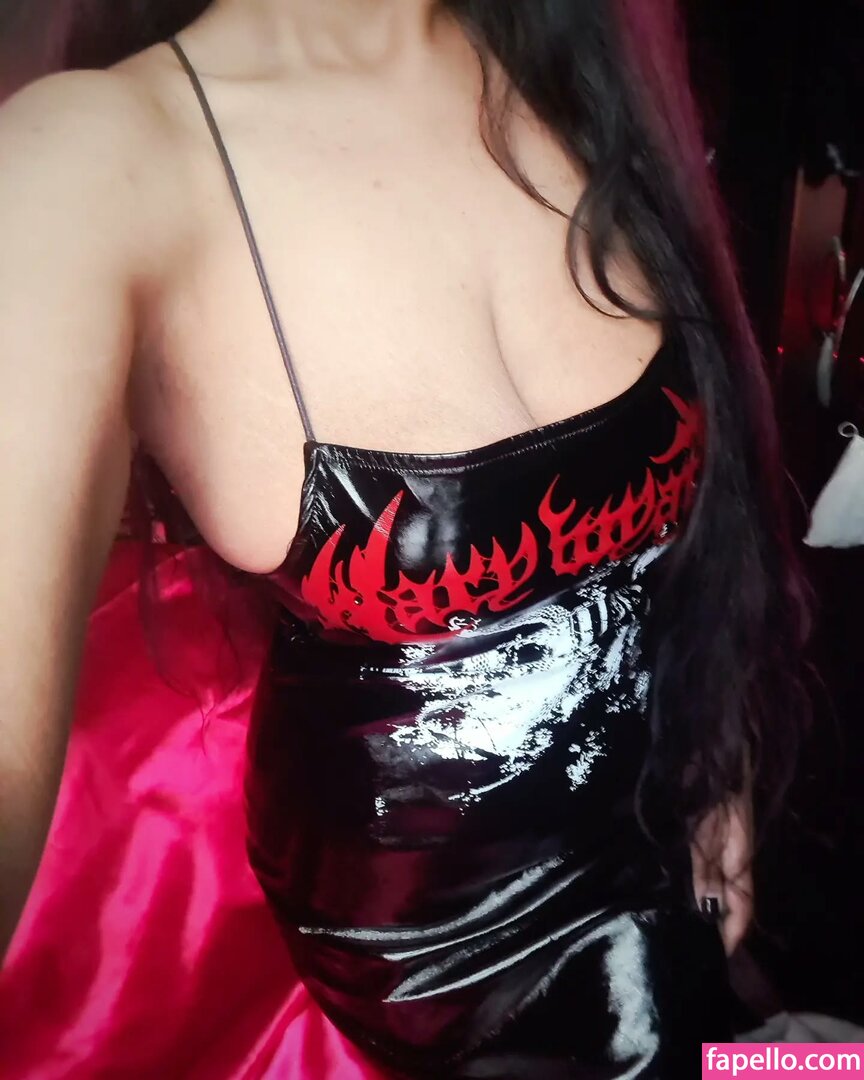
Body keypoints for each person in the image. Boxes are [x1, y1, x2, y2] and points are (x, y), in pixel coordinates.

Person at [0, 0, 808, 1076]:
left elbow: (691, 520)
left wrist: (719, 752)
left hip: (667, 832)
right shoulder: (85, 168)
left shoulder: (576, 58)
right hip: (443, 959)